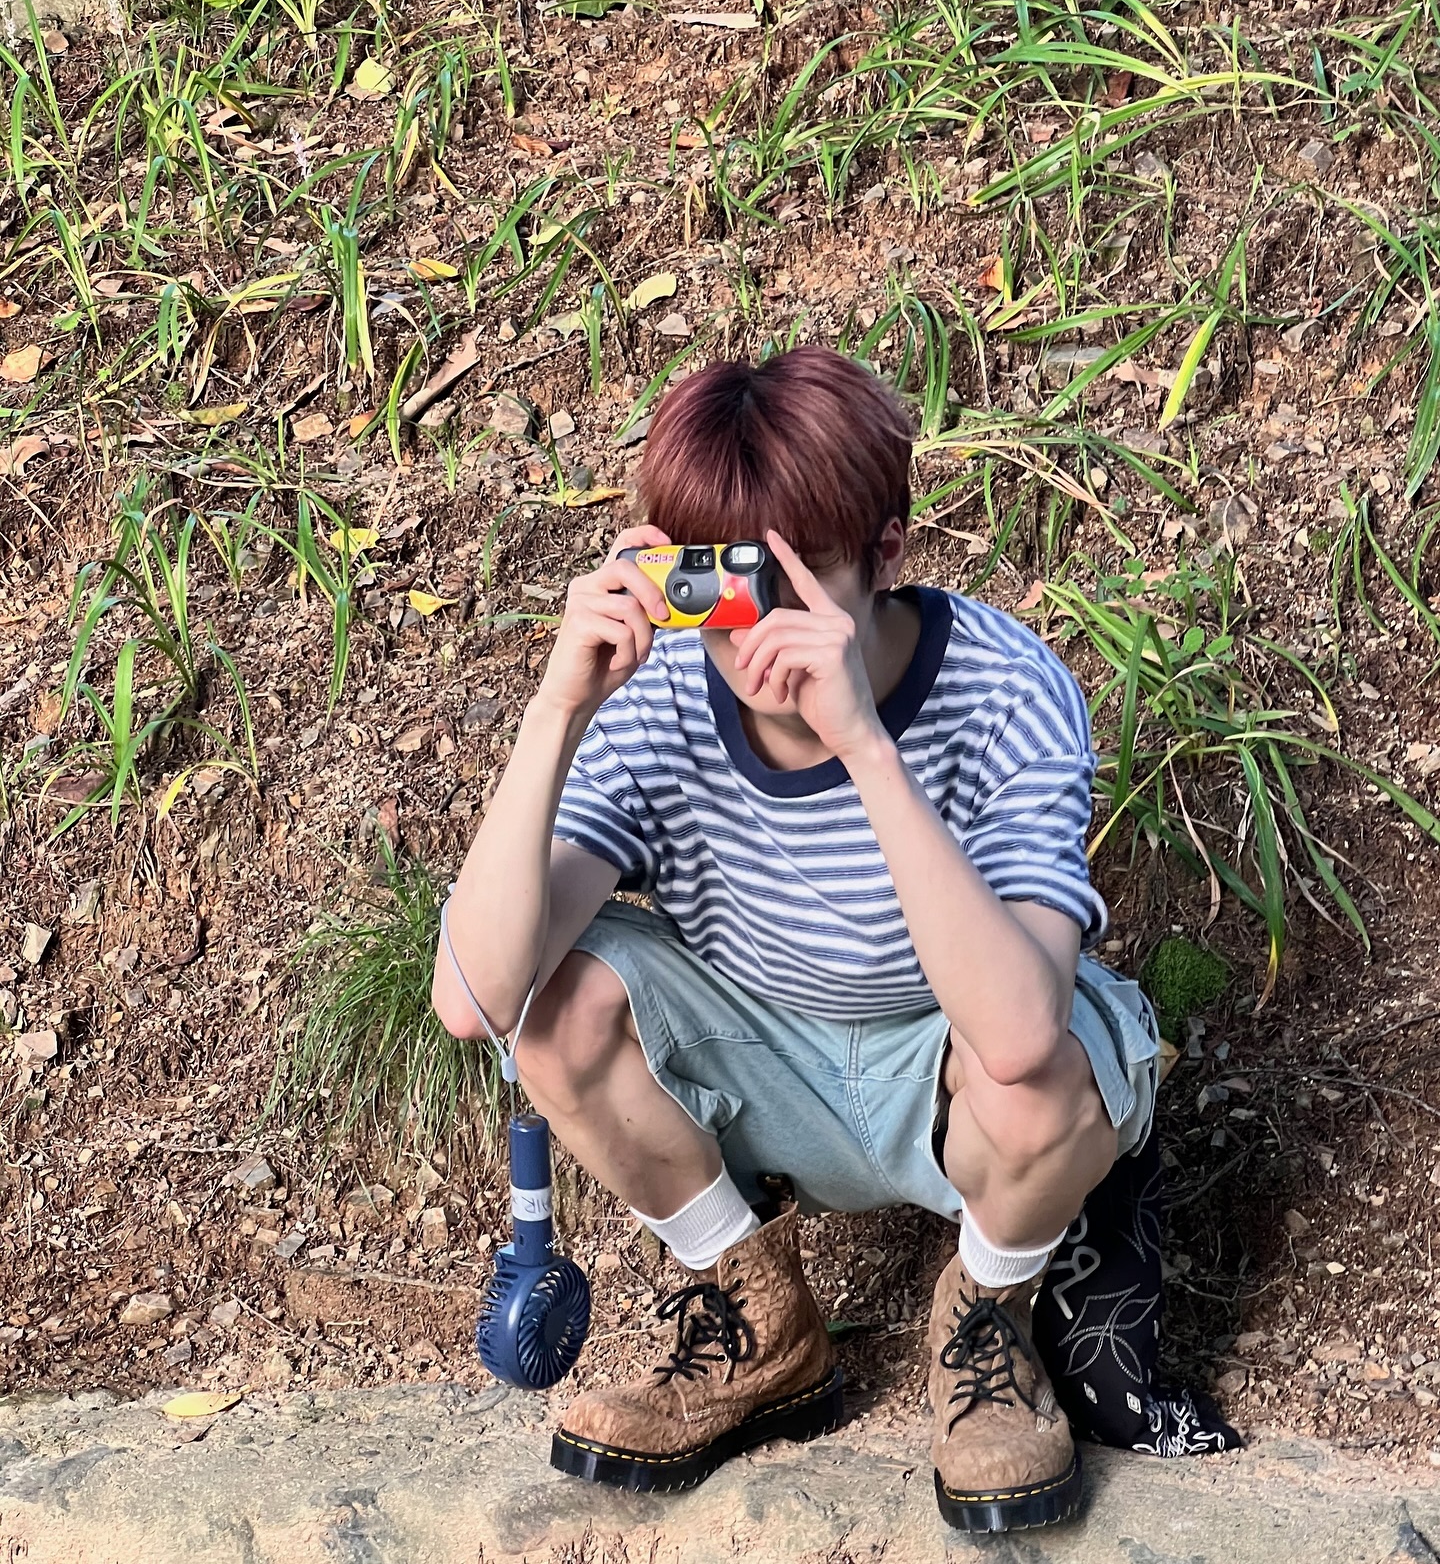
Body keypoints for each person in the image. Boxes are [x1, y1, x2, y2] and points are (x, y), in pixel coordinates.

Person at [434, 346, 1169, 1533]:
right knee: (554, 1006)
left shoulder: (1002, 687)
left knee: (1043, 1073)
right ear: (674, 572)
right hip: (762, 1052)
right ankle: (759, 1317)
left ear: (886, 552)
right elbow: (478, 994)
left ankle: (988, 1318)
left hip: (952, 1059)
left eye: (800, 577)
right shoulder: (659, 694)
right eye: (725, 582)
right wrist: (558, 707)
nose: (759, 628)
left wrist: (865, 743)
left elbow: (1018, 1034)